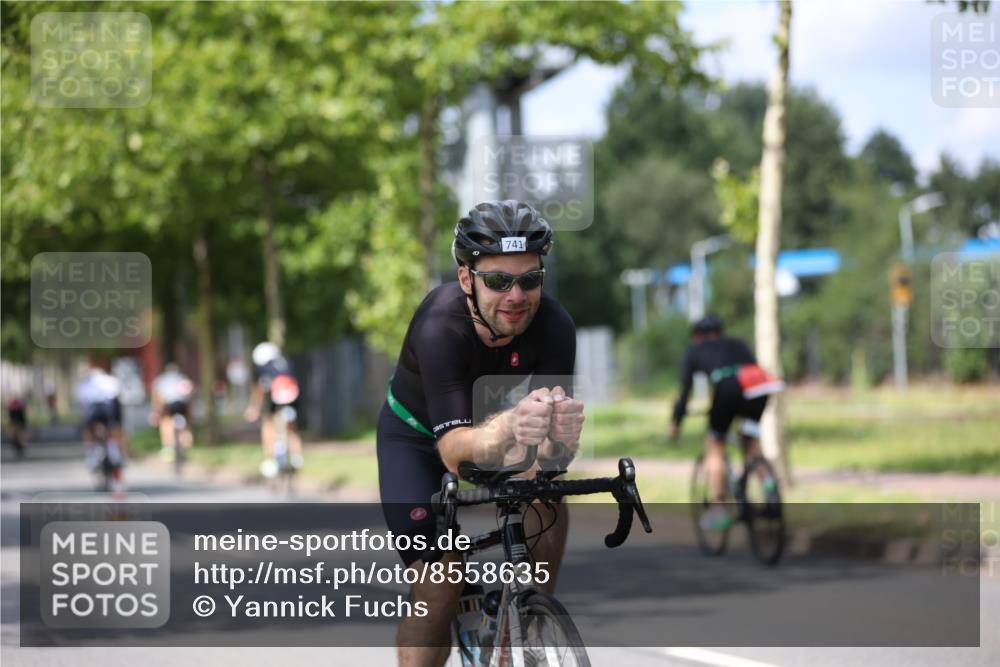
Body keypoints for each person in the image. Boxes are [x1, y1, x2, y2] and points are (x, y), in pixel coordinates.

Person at [377, 200, 585, 667]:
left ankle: (530, 619)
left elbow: (550, 455)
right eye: (498, 281)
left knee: (546, 488)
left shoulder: (554, 325)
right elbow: (455, 453)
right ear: (466, 279)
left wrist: (560, 440)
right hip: (416, 440)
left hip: (494, 428)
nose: (516, 296)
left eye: (530, 279)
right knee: (441, 583)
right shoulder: (439, 325)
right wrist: (511, 424)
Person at [669, 315, 784, 530]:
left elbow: (685, 392)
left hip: (729, 387)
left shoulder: (694, 351)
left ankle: (719, 508)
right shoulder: (738, 343)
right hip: (759, 387)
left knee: (714, 445)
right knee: (750, 442)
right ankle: (769, 485)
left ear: (696, 336)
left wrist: (676, 422)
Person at [245, 342, 303, 478]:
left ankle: (270, 460)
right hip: (293, 401)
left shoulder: (264, 369)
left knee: (268, 426)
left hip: (275, 402)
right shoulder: (286, 363)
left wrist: (254, 408)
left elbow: (260, 390)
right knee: (292, 429)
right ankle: (297, 457)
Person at [75, 361, 128, 490]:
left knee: (88, 429)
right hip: (110, 408)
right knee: (115, 431)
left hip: (94, 410)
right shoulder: (111, 380)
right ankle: (116, 451)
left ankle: (90, 455)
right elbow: (118, 400)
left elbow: (82, 405)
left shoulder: (85, 384)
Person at [149, 363, 195, 462]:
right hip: (182, 404)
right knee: (186, 425)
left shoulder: (162, 380)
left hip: (169, 404)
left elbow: (158, 396)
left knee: (166, 423)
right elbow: (189, 393)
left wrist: (156, 412)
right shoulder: (182, 377)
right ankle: (186, 445)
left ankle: (168, 447)